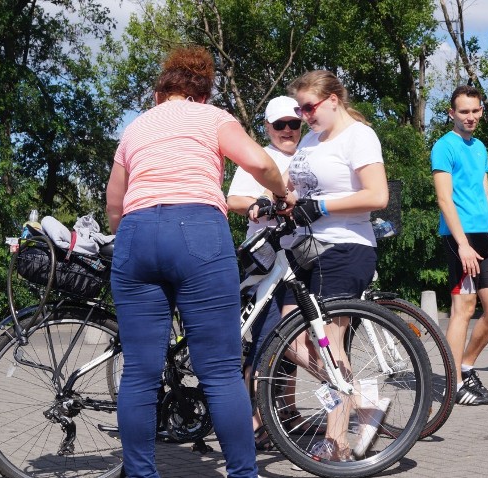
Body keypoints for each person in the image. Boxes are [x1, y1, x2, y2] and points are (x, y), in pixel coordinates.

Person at [105, 46, 294, 478]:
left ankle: (140, 474)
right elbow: (260, 163)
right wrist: (281, 195)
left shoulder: (135, 129)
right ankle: (243, 474)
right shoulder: (211, 118)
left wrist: (134, 233)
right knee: (223, 371)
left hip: (136, 235)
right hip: (197, 231)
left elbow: (114, 203)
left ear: (160, 93)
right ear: (202, 94)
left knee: (139, 373)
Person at [274, 69, 390, 461]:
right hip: (308, 249)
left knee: (330, 344)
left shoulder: (359, 136)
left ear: (334, 99)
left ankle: (337, 441)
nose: (304, 116)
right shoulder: (309, 140)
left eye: (310, 107)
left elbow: (377, 195)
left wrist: (322, 205)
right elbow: (292, 187)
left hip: (346, 246)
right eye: (300, 108)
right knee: (289, 342)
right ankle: (361, 401)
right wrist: (273, 200)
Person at [226, 95, 304, 451]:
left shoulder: (310, 153)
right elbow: (234, 200)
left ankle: (286, 412)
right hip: (268, 260)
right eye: (280, 125)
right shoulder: (260, 157)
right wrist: (260, 204)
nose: (288, 131)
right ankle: (256, 421)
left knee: (294, 338)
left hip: (303, 257)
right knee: (267, 339)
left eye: (294, 124)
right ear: (267, 127)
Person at [431, 85, 488, 406]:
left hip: (484, 238)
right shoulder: (443, 147)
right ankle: (454, 384)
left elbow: (486, 195)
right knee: (463, 309)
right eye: (464, 111)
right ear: (452, 113)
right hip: (458, 238)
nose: (471, 116)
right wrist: (462, 244)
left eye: (475, 111)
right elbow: (444, 198)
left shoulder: (480, 147)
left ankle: (466, 364)